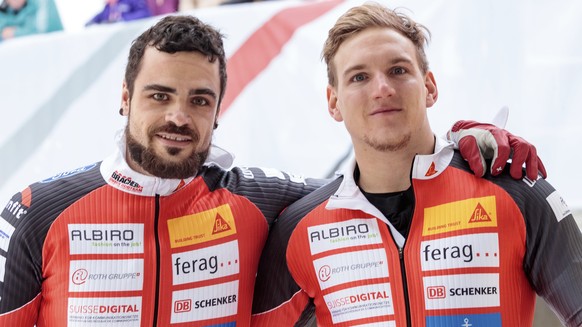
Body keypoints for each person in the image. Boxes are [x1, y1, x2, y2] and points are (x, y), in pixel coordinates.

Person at [0, 13, 543, 327]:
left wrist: (470, 144)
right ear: (125, 97)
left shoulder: (262, 201)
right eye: (159, 95)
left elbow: (379, 179)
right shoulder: (36, 211)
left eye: (200, 99)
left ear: (219, 106)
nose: (177, 116)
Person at [251, 3, 582, 327]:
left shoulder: (517, 193)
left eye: (398, 70)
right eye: (359, 77)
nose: (382, 88)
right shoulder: (299, 228)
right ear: (333, 102)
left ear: (429, 87)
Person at [86, 0, 151, 26]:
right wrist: (91, 22)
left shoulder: (130, 1)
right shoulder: (108, 7)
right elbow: (99, 17)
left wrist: (123, 19)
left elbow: (144, 13)